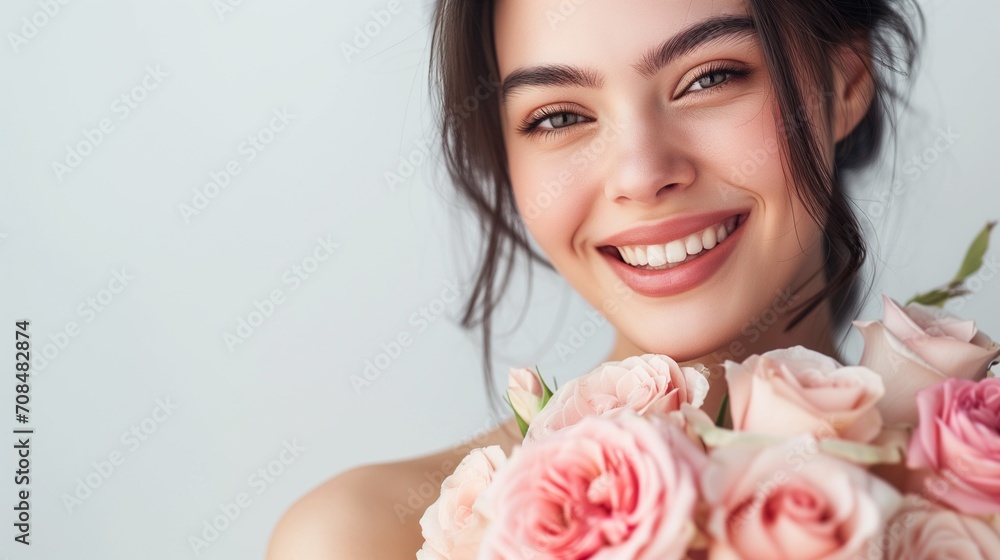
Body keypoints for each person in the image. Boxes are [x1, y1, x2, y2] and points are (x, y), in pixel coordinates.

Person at [266, 0, 922, 557]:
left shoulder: (969, 509)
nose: (641, 173)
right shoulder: (366, 539)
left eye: (710, 77)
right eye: (559, 117)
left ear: (845, 82)